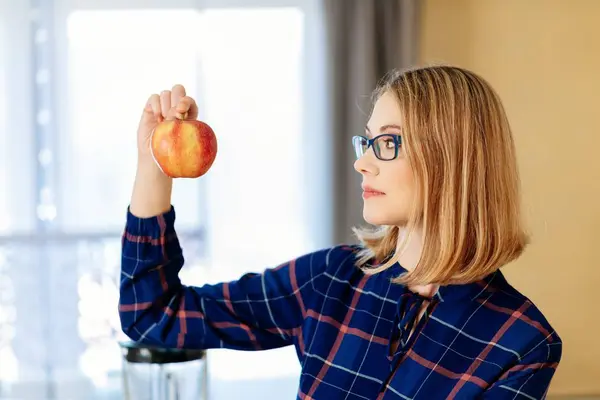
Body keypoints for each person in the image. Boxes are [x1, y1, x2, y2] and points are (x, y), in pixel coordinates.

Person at [119, 65, 562, 399]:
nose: (362, 162)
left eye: (387, 143)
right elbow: (151, 314)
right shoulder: (332, 279)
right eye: (366, 141)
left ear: (455, 158)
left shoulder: (522, 344)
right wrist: (153, 166)